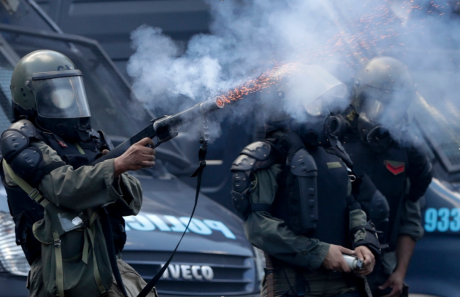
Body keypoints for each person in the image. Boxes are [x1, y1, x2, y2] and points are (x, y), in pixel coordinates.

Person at [0, 50, 157, 297]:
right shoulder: (21, 139)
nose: (67, 96)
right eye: (55, 89)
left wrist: (118, 168)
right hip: (60, 273)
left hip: (105, 264)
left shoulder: (86, 139)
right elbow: (63, 189)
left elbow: (132, 202)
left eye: (70, 87)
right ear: (29, 94)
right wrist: (117, 165)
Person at [231, 68, 384, 297]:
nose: (322, 110)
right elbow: (258, 227)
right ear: (285, 104)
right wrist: (318, 252)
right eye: (314, 102)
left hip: (348, 283)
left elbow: (353, 207)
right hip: (294, 285)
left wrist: (365, 245)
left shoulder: (333, 153)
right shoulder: (267, 157)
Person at [339, 56, 433, 297]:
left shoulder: (405, 149)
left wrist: (399, 273)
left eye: (394, 105)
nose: (384, 113)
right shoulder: (335, 140)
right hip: (338, 261)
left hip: (382, 266)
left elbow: (410, 218)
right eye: (377, 103)